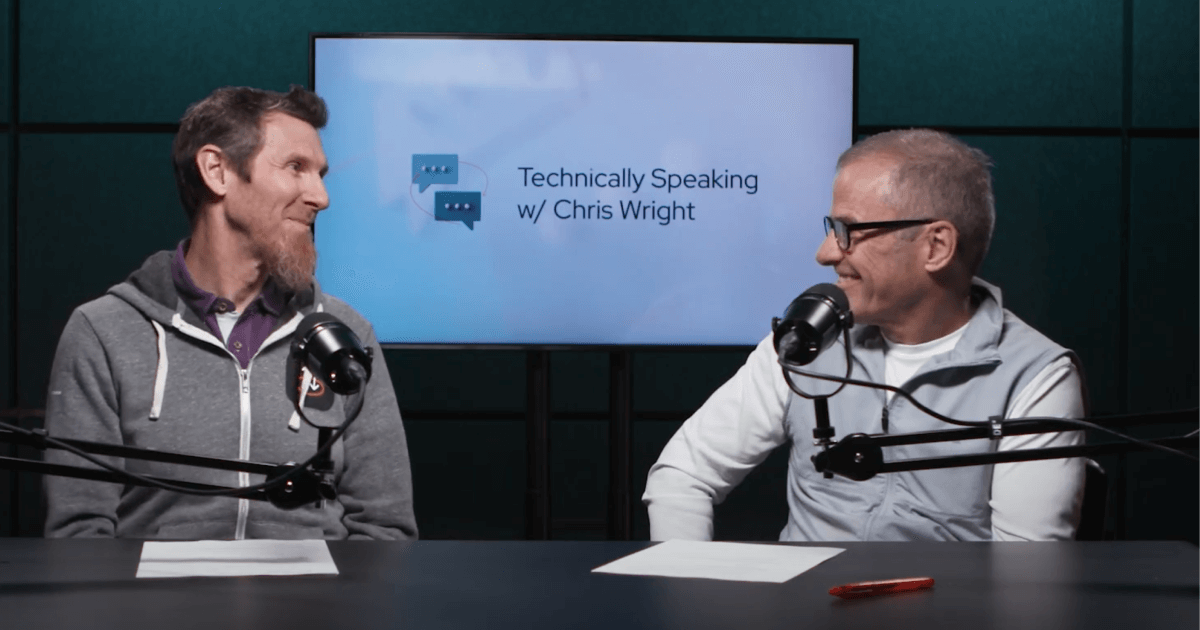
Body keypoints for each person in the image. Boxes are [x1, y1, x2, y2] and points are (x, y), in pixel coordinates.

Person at [643, 129, 1086, 541]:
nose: (825, 254)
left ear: (936, 247)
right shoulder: (806, 342)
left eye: (848, 231)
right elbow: (682, 475)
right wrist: (690, 595)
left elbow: (1026, 579)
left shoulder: (1036, 377)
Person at [43, 86, 417, 540]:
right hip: (154, 608)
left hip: (316, 608)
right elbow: (78, 535)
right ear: (217, 171)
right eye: (296, 167)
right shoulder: (103, 332)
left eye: (320, 174)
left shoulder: (345, 333)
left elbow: (385, 527)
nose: (321, 196)